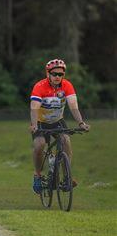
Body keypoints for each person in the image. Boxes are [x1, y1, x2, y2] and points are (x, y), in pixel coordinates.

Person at [30, 59, 90, 194]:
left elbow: (73, 107)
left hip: (58, 121)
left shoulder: (67, 85)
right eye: (54, 74)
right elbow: (34, 108)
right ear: (48, 74)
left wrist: (81, 123)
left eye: (61, 74)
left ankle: (66, 177)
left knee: (66, 141)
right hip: (40, 122)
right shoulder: (40, 86)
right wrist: (34, 125)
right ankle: (38, 176)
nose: (58, 77)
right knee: (39, 145)